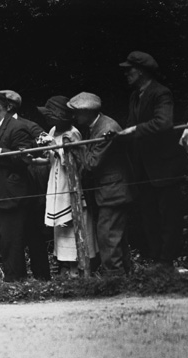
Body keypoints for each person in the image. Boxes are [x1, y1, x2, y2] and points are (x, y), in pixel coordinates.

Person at [117, 51, 188, 269]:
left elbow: (163, 122)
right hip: (143, 168)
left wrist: (135, 130)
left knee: (168, 214)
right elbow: (130, 123)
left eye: (130, 69)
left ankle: (167, 259)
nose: (127, 73)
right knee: (148, 213)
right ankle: (156, 257)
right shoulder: (135, 96)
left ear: (142, 71)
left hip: (163, 165)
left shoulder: (161, 93)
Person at [69, 92, 134, 275]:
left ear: (87, 112)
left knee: (108, 237)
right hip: (111, 191)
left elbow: (91, 163)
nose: (74, 117)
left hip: (113, 192)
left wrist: (78, 145)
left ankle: (114, 281)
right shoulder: (97, 125)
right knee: (116, 238)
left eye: (76, 113)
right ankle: (124, 279)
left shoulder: (107, 128)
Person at [0, 91, 42, 281]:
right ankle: (13, 278)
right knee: (4, 238)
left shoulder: (17, 127)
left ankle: (16, 280)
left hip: (14, 192)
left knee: (14, 238)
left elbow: (24, 158)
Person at [36, 96, 96, 275]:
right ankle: (67, 266)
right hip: (56, 183)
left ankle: (80, 268)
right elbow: (51, 159)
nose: (47, 119)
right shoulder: (53, 130)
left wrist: (54, 146)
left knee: (74, 223)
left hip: (70, 184)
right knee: (61, 229)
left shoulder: (72, 134)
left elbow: (75, 162)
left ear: (60, 116)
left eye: (50, 115)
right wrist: (33, 159)